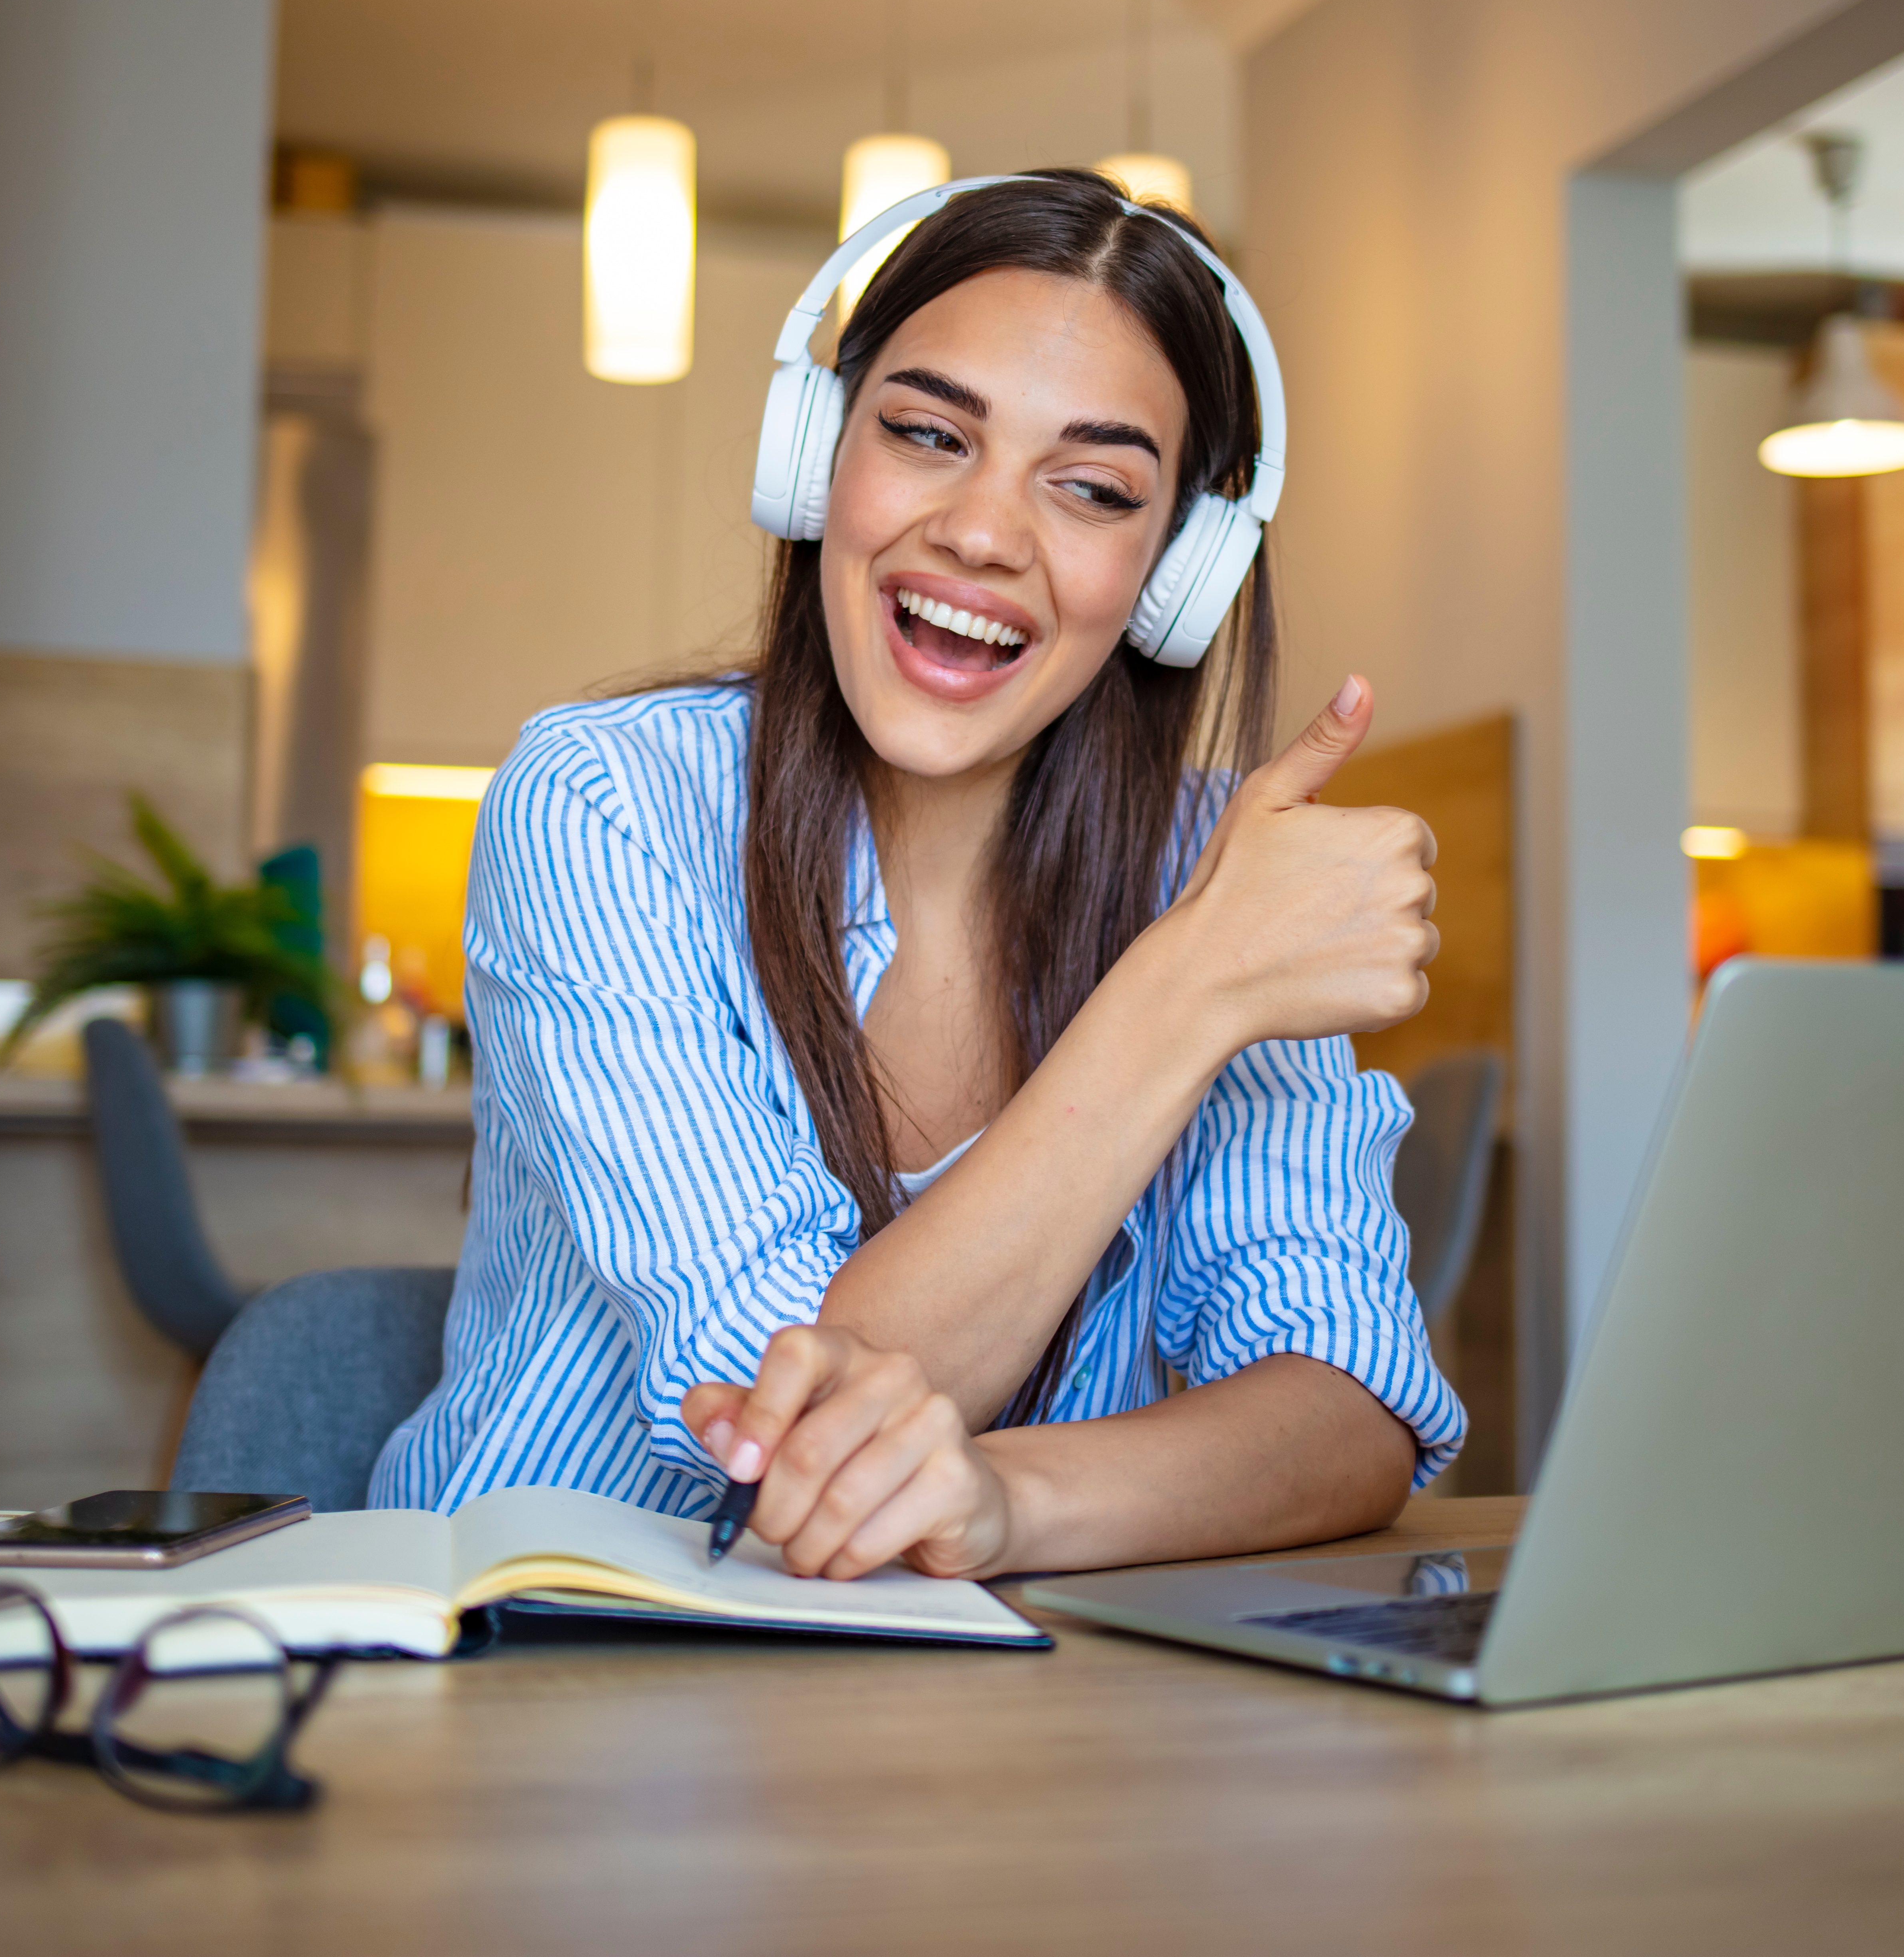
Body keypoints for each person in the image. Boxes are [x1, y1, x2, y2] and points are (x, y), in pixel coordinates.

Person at [373, 169, 1462, 1580]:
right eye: (929, 434)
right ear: (814, 456)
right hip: (551, 1677)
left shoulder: (1218, 870)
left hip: (997, 1722)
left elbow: (1348, 1401)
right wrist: (1190, 989)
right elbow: (784, 1427)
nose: (985, 533)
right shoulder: (607, 803)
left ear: (1176, 571)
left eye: (1091, 488)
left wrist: (1010, 1503)